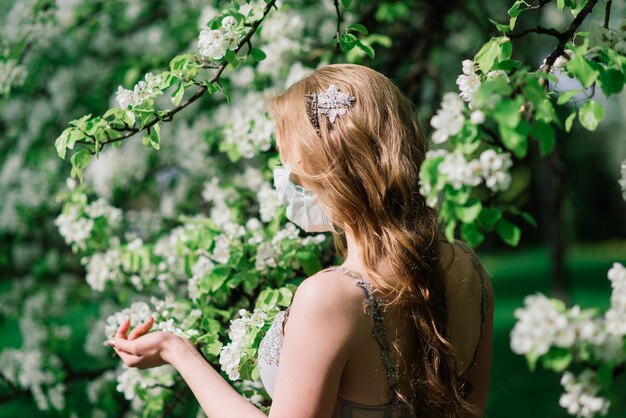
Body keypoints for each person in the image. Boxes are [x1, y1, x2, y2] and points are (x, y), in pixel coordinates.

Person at [105, 63, 494, 418]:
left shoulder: (329, 299)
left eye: (289, 164)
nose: (286, 177)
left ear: (327, 172)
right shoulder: (470, 271)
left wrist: (180, 353)